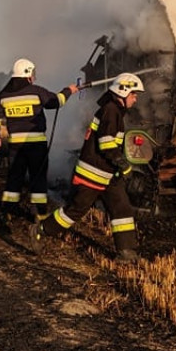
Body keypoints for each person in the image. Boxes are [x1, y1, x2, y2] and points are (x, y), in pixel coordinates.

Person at [30, 72, 144, 262]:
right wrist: (123, 165)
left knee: (122, 208)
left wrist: (118, 168)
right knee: (76, 209)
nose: (136, 98)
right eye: (134, 94)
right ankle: (41, 229)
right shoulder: (110, 110)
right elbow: (107, 144)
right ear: (123, 92)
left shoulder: (115, 110)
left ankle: (126, 251)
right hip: (93, 173)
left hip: (108, 172)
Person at [0, 58, 78, 221]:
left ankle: (9, 210)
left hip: (16, 145)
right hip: (36, 145)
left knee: (15, 176)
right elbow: (56, 101)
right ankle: (39, 213)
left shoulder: (4, 95)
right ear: (28, 75)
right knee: (38, 178)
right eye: (33, 74)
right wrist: (69, 90)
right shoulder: (36, 91)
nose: (34, 78)